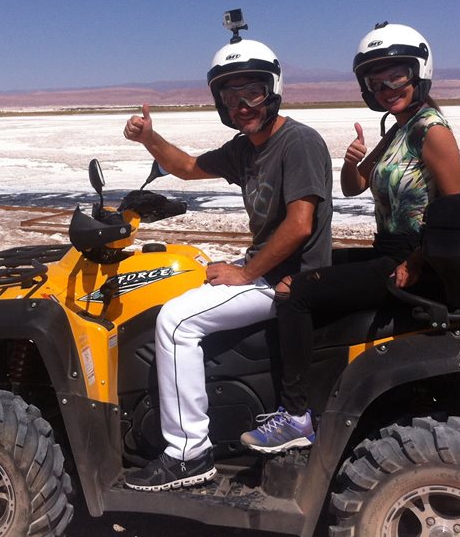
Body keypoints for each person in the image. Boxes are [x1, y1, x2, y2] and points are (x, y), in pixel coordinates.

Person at [122, 25, 333, 490]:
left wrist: (245, 271)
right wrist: (149, 139)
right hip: (264, 271)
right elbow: (188, 167)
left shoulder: (298, 142)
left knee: (176, 321)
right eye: (232, 96)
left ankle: (187, 453)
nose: (243, 105)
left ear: (272, 91)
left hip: (290, 280)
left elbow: (300, 225)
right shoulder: (245, 148)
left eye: (252, 92)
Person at [240, 21, 460, 453]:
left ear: (418, 73)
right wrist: (353, 159)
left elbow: (453, 211)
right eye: (375, 81)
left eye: (396, 76)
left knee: (297, 293)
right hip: (388, 251)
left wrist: (417, 262)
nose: (386, 87)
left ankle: (296, 417)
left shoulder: (430, 130)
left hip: (415, 261)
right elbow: (353, 186)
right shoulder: (400, 127)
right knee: (308, 267)